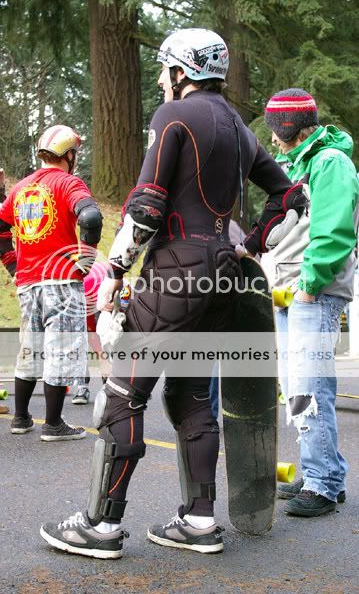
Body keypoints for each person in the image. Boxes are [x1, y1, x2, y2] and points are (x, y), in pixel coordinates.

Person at [40, 28, 307, 559]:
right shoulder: (239, 127)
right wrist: (249, 246)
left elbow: (145, 205)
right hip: (224, 277)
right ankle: (199, 520)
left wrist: (115, 267)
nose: (162, 78)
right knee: (188, 395)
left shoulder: (173, 117)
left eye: (166, 69)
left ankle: (100, 526)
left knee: (122, 394)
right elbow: (291, 197)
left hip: (173, 273)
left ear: (183, 71)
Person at [261, 88, 359, 516]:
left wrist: (310, 284)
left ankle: (322, 484)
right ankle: (323, 470)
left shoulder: (330, 163)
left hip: (312, 293)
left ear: (287, 127)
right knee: (295, 386)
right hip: (288, 290)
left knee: (309, 387)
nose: (273, 140)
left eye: (274, 130)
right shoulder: (296, 163)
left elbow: (334, 230)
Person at [0, 125, 103, 441]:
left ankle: (20, 418)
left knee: (30, 349)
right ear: (68, 154)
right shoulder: (68, 183)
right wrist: (85, 261)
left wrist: (14, 266)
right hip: (60, 280)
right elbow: (91, 218)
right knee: (61, 350)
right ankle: (54, 424)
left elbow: (1, 226)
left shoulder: (21, 188)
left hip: (28, 283)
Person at [71, 261, 108, 405]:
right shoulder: (79, 294)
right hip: (86, 297)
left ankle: (108, 385)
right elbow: (90, 331)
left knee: (109, 341)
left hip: (105, 294)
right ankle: (82, 386)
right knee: (79, 342)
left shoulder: (115, 288)